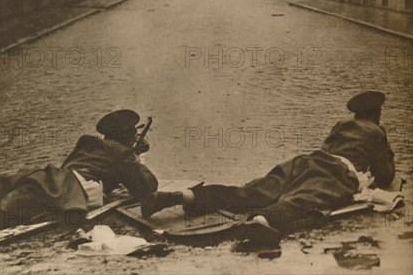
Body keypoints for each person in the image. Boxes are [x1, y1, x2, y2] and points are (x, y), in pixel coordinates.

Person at [141, 91, 395, 245]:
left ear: (355, 114)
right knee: (301, 200)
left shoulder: (342, 125)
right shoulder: (375, 131)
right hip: (337, 173)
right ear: (377, 113)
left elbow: (329, 149)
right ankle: (261, 221)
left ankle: (184, 196)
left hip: (307, 161)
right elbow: (385, 176)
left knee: (250, 192)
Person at [0, 109, 158, 232]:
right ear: (127, 136)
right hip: (75, 190)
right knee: (23, 210)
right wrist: (136, 158)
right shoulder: (123, 154)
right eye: (133, 134)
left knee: (10, 203)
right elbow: (146, 188)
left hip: (51, 179)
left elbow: (83, 164)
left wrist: (129, 153)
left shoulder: (88, 141)